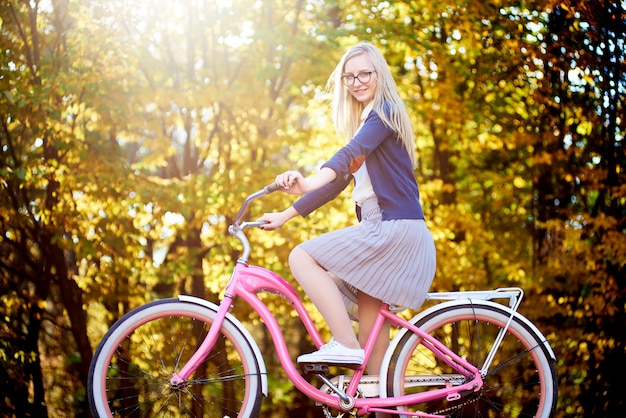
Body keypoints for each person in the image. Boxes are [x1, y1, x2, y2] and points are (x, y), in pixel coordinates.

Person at [260, 42, 436, 392]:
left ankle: (345, 344)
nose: (357, 82)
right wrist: (286, 214)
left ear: (379, 74)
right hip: (389, 226)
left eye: (364, 74)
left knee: (302, 256)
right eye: (349, 76)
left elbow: (348, 155)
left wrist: (308, 180)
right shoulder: (369, 121)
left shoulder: (383, 111)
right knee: (377, 371)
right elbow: (340, 181)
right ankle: (385, 407)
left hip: (390, 227)